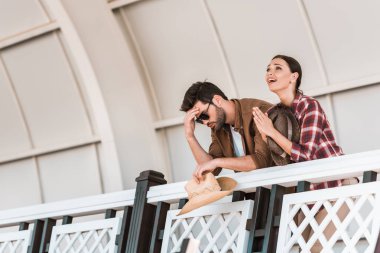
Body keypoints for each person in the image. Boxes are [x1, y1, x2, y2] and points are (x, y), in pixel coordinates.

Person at [252, 55, 357, 252]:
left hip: (336, 186)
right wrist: (267, 139)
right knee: (300, 249)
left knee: (316, 249)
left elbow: (307, 154)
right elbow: (280, 160)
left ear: (293, 77)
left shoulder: (310, 106)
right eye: (268, 69)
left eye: (277, 68)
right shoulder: (273, 113)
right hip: (306, 193)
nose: (270, 73)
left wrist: (271, 132)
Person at [180, 81, 274, 183]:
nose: (205, 122)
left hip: (283, 188)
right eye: (198, 120)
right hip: (256, 191)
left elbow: (261, 160)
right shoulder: (218, 127)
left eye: (204, 115)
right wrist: (190, 136)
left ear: (217, 100)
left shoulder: (259, 112)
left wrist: (218, 162)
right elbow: (210, 170)